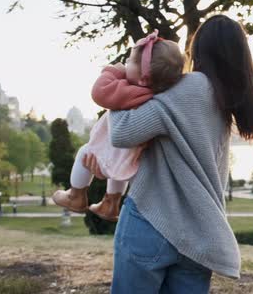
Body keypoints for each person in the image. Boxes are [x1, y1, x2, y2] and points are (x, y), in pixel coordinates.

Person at [83, 15, 253, 293]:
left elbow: (123, 133)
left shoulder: (191, 87)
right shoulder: (226, 101)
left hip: (153, 220)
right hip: (199, 237)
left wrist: (119, 94)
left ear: (199, 48)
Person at [51, 30, 185, 221]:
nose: (126, 64)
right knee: (117, 174)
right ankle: (111, 204)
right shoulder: (156, 96)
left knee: (84, 153)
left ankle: (76, 196)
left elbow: (100, 93)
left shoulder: (131, 92)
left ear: (144, 78)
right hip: (128, 157)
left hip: (113, 151)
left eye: (130, 61)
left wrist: (112, 72)